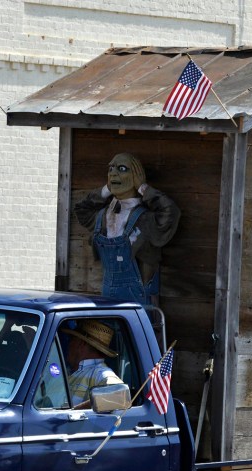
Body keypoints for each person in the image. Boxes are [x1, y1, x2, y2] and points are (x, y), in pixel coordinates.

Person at [73, 153, 180, 306]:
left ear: (137, 175)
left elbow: (170, 211)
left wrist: (143, 188)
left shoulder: (145, 220)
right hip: (108, 298)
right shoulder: (102, 217)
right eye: (111, 169)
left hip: (138, 301)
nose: (113, 173)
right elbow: (81, 209)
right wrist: (106, 189)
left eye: (122, 168)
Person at [61, 320, 124, 406]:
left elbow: (119, 396)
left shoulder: (101, 373)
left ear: (81, 343)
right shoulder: (69, 370)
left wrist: (74, 412)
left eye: (72, 340)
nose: (69, 344)